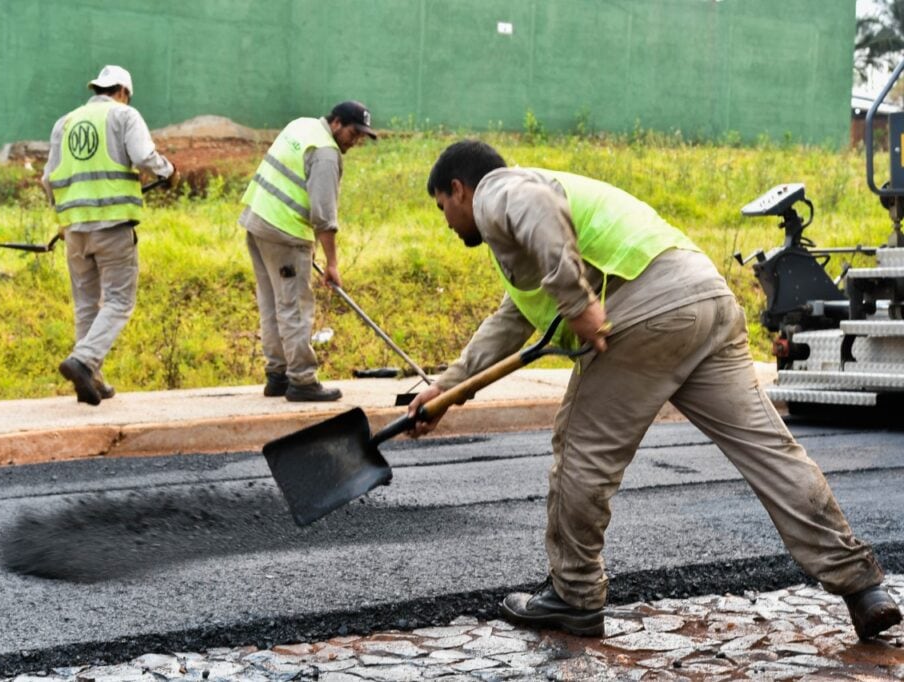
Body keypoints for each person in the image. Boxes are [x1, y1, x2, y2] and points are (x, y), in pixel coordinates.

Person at [410, 139, 902, 640]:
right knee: (771, 454)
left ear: (459, 189)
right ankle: (862, 585)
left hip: (648, 309)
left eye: (442, 207)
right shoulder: (533, 232)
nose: (447, 222)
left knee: (580, 452)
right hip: (705, 298)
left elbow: (535, 209)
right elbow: (512, 321)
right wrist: (447, 390)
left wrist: (578, 303)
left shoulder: (500, 189)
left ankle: (574, 594)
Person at [41, 65, 178, 405]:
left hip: (75, 229)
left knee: (86, 304)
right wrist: (169, 172)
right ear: (123, 92)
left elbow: (48, 179)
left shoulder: (65, 122)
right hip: (113, 226)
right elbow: (144, 156)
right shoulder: (124, 116)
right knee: (119, 301)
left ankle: (91, 380)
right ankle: (84, 361)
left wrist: (63, 216)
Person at [239, 101, 376, 401]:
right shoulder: (326, 153)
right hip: (284, 233)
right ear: (337, 123)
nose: (356, 141)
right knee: (294, 306)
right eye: (354, 133)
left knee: (273, 302)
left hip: (258, 221)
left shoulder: (302, 125)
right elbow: (324, 216)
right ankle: (301, 380)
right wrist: (333, 264)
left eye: (362, 136)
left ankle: (277, 376)